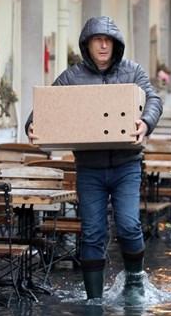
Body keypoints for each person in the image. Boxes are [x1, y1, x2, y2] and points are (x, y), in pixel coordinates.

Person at [25, 16, 163, 300]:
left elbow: (154, 99)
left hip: (127, 164)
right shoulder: (71, 78)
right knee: (92, 232)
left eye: (108, 40)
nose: (102, 45)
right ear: (86, 45)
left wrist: (146, 122)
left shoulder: (132, 71)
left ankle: (135, 280)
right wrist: (32, 123)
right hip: (89, 167)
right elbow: (47, 106)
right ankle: (94, 299)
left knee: (128, 224)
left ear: (116, 44)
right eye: (97, 40)